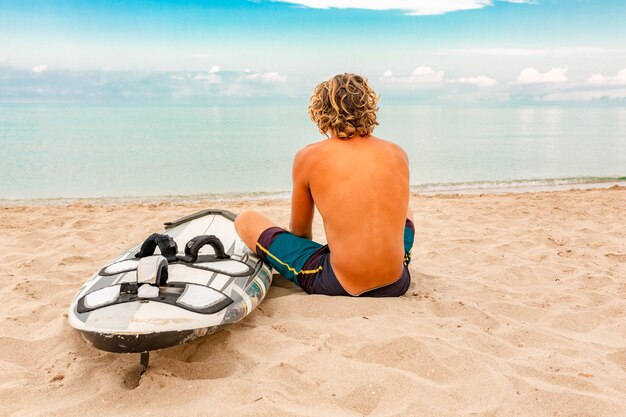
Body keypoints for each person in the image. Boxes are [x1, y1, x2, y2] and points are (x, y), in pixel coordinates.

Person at [235, 73, 414, 296]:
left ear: (321, 110)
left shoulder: (309, 156)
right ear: (369, 107)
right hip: (396, 282)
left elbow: (301, 233)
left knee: (246, 220)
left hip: (341, 282)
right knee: (407, 215)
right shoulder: (397, 153)